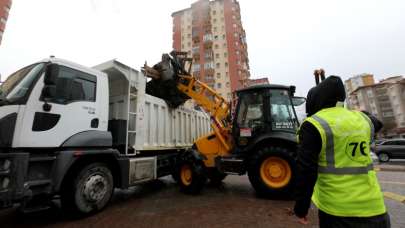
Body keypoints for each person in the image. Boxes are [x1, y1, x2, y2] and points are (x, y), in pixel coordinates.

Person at [291, 76, 390, 227]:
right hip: (376, 210)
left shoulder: (314, 125)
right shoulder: (362, 119)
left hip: (338, 212)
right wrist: (358, 112)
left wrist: (301, 208)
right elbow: (378, 123)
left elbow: (306, 170)